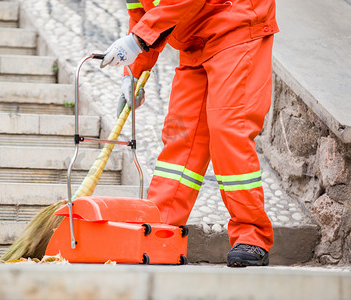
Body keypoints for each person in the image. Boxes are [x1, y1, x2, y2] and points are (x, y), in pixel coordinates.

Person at [100, 0, 278, 267]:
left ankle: (252, 235)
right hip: (195, 40)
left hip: (236, 25)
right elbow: (141, 12)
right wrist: (133, 73)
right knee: (181, 136)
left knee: (228, 130)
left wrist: (137, 41)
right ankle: (160, 229)